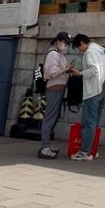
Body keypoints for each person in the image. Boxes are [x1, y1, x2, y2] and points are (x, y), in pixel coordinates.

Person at [70, 33, 105, 161]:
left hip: (92, 91)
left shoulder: (90, 52)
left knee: (88, 123)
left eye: (78, 47)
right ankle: (93, 150)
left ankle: (85, 151)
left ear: (82, 43)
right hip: (101, 89)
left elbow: (93, 70)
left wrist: (80, 73)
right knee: (95, 122)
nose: (79, 51)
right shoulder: (98, 50)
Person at [38, 31, 73, 160]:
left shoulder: (59, 54)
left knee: (53, 118)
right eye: (64, 42)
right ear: (58, 41)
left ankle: (46, 145)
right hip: (54, 90)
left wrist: (66, 69)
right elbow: (50, 73)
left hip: (58, 90)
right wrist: (65, 69)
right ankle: (44, 147)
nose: (66, 45)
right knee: (49, 118)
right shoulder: (53, 54)